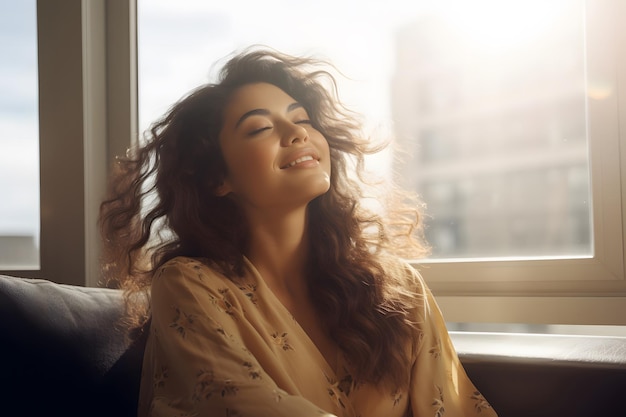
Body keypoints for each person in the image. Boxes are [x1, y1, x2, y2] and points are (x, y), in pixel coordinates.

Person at [99, 47, 497, 417]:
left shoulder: (397, 289)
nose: (297, 133)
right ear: (218, 178)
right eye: (259, 128)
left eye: (302, 119)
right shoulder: (191, 285)